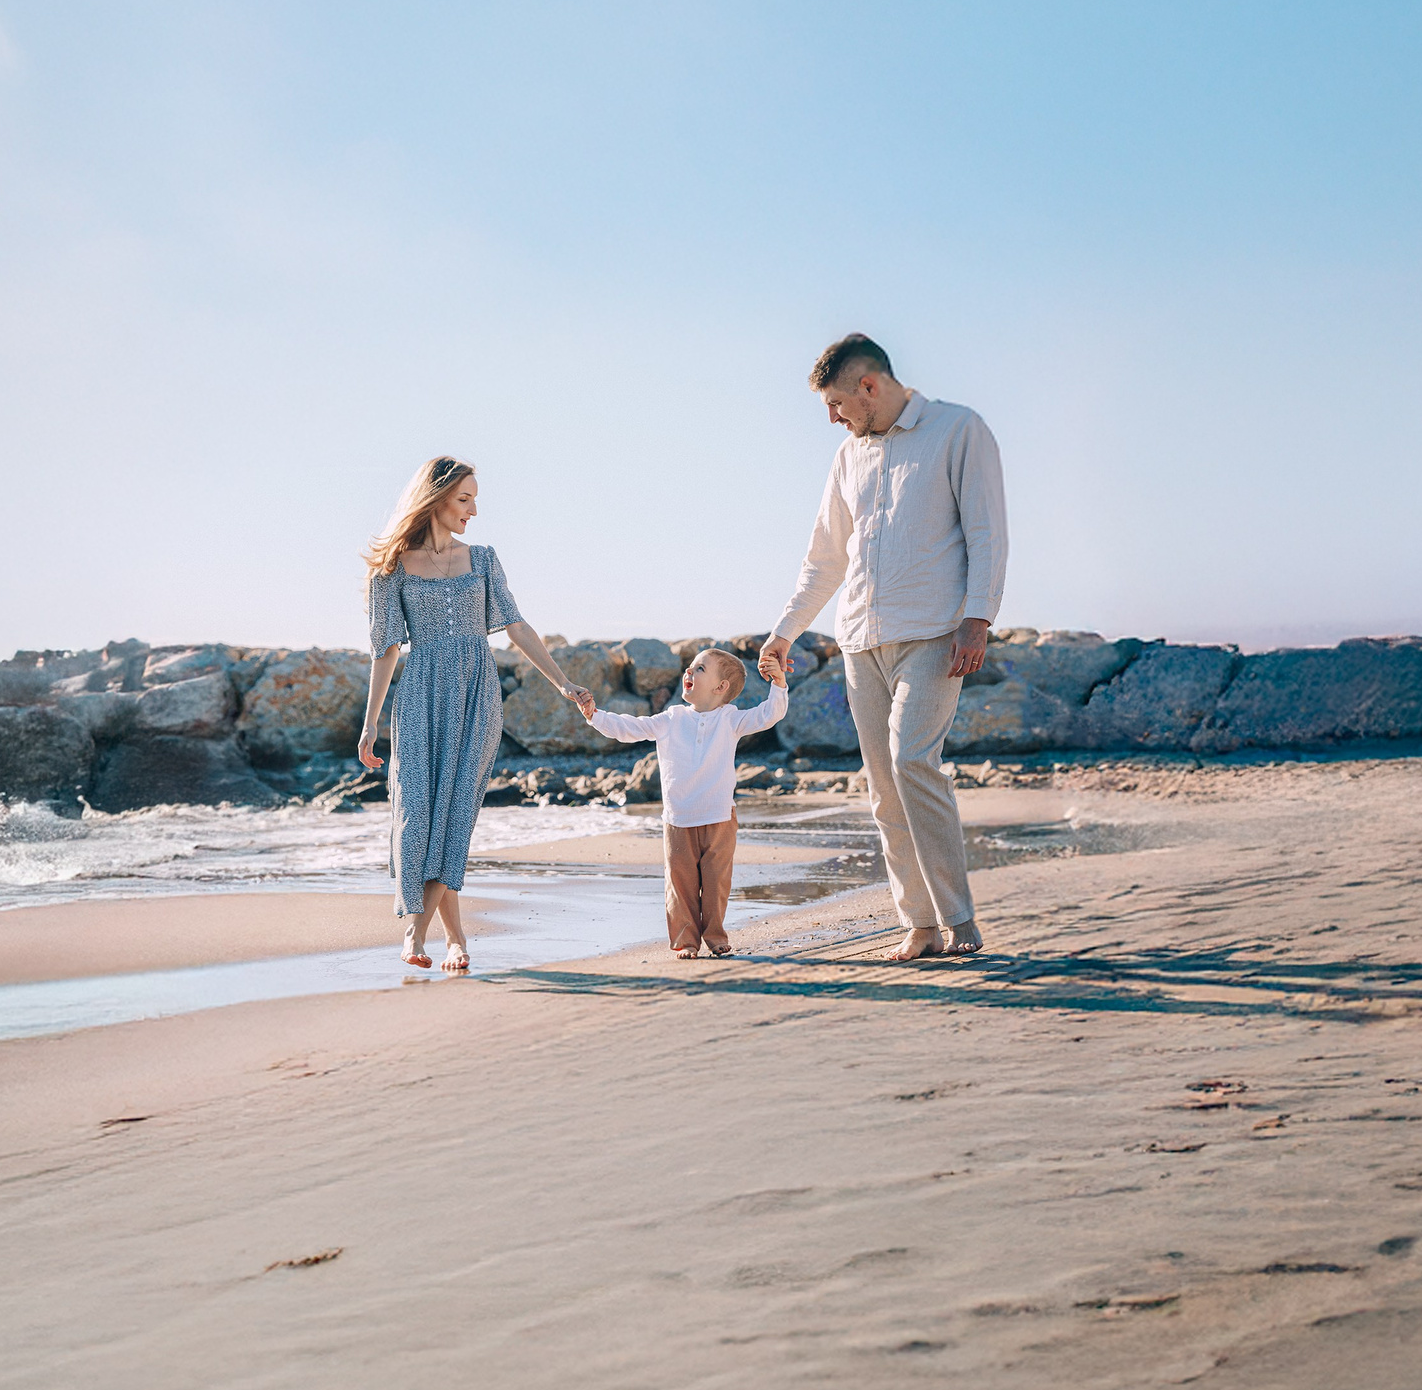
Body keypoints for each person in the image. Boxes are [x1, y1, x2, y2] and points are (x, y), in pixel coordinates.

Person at [760, 334, 1007, 963]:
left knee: (911, 762)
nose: (832, 417)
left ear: (870, 386)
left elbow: (986, 530)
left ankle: (960, 920)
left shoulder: (959, 430)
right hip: (858, 643)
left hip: (934, 635)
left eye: (838, 403)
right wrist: (785, 630)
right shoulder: (848, 457)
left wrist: (978, 619)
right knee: (882, 788)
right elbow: (825, 558)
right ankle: (919, 926)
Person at [359, 455, 587, 974]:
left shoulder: (483, 560)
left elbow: (517, 627)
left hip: (477, 695)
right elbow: (385, 650)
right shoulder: (391, 569)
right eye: (465, 499)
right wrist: (370, 724)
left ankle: (417, 932)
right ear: (434, 498)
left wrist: (564, 683)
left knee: (455, 816)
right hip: (419, 698)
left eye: (474, 499)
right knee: (417, 816)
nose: (473, 510)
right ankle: (455, 938)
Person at [574, 646, 791, 958]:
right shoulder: (671, 718)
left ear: (721, 687)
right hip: (678, 819)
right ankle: (686, 941)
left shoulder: (730, 720)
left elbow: (769, 714)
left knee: (716, 883)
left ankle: (715, 936)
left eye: (700, 668)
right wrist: (596, 716)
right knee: (680, 883)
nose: (689, 672)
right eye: (690, 666)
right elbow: (629, 728)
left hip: (719, 817)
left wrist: (778, 683)